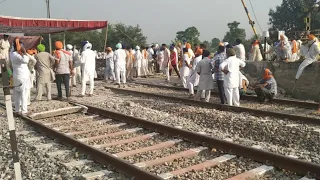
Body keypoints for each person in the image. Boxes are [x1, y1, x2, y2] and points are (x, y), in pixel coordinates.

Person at [10, 39, 30, 114]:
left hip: (16, 75)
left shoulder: (12, 53)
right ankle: (24, 110)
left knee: (17, 93)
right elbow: (25, 61)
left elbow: (12, 48)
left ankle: (17, 110)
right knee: (23, 93)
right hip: (22, 76)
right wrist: (24, 52)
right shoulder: (17, 55)